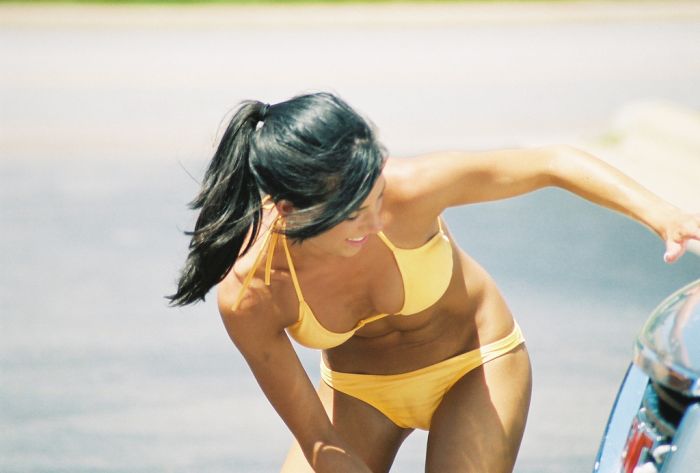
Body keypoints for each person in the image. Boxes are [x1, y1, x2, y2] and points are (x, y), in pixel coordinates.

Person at [168, 92, 699, 473]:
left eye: (377, 195)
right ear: (290, 210)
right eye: (355, 214)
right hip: (358, 395)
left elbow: (551, 163)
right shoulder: (252, 294)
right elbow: (318, 441)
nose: (377, 221)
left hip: (476, 366)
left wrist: (662, 213)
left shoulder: (409, 189)